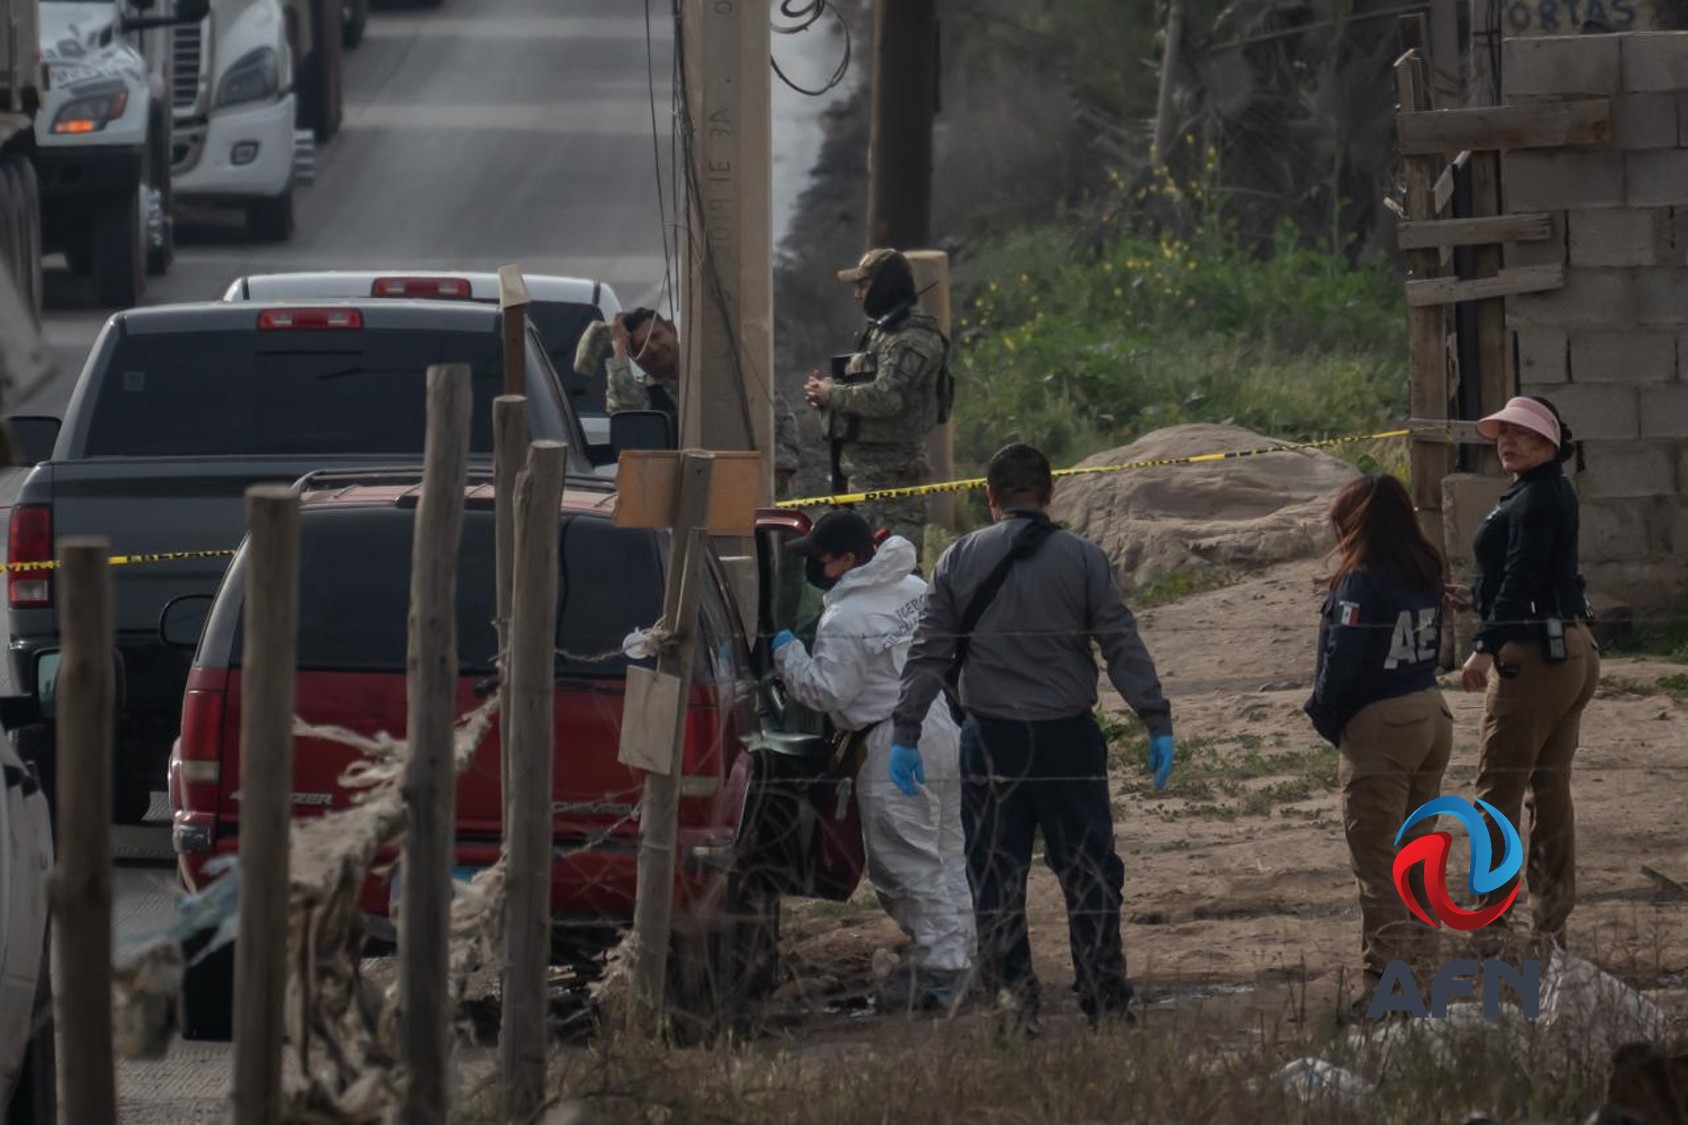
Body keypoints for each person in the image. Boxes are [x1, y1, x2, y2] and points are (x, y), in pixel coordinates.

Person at [889, 443, 1175, 1034]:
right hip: (1067, 739)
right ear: (1050, 495)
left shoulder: (958, 560)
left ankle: (1013, 1009)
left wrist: (906, 729)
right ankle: (1105, 1001)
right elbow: (1120, 642)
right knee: (1090, 872)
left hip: (992, 742)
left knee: (995, 877)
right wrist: (1155, 718)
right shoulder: (1084, 559)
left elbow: (929, 651)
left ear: (990, 498)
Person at [769, 510, 974, 1010]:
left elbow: (827, 691)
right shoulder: (910, 588)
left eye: (823, 559)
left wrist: (788, 655)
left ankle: (942, 973)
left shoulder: (844, 619)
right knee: (948, 853)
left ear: (850, 558)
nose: (818, 569)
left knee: (905, 864)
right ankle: (965, 955)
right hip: (940, 727)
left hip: (890, 743)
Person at [1454, 395, 1597, 957]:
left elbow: (1521, 575)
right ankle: (1551, 926)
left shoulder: (1537, 497)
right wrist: (1478, 599)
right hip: (1570, 646)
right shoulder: (1545, 491)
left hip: (1533, 657)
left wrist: (1486, 644)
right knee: (1550, 785)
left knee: (1499, 789)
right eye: (1503, 435)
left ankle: (1489, 927)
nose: (1508, 443)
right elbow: (1531, 575)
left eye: (1522, 435)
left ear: (1548, 443)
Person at [1303, 474, 1452, 1012]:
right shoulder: (1426, 567)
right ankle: (1424, 978)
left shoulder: (1360, 582)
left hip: (1383, 723)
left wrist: (1325, 717)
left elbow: (1341, 663)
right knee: (1416, 858)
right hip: (1431, 711)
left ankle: (1388, 991)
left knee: (1378, 866)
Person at [804, 248, 950, 557]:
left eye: (863, 285)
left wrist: (833, 394)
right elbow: (864, 391)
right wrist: (827, 396)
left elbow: (886, 398)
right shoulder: (882, 333)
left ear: (886, 286)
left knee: (895, 576)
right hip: (862, 481)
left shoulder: (912, 339)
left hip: (892, 488)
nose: (857, 296)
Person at [602, 307, 802, 490]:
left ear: (672, 329)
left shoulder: (720, 373)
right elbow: (626, 416)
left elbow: (779, 416)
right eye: (639, 348)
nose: (652, 348)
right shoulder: (645, 397)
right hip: (690, 499)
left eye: (655, 337)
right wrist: (619, 348)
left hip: (752, 490)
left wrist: (778, 469)